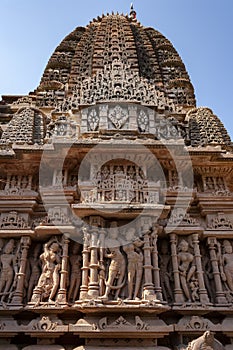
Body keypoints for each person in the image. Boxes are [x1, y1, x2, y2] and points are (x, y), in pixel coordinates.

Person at [122, 227, 143, 300]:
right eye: (130, 232)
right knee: (130, 278)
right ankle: (130, 295)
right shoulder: (124, 242)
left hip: (138, 259)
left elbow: (141, 244)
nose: (130, 234)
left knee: (138, 278)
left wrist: (136, 241)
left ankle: (135, 296)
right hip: (130, 260)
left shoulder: (134, 241)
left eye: (132, 233)